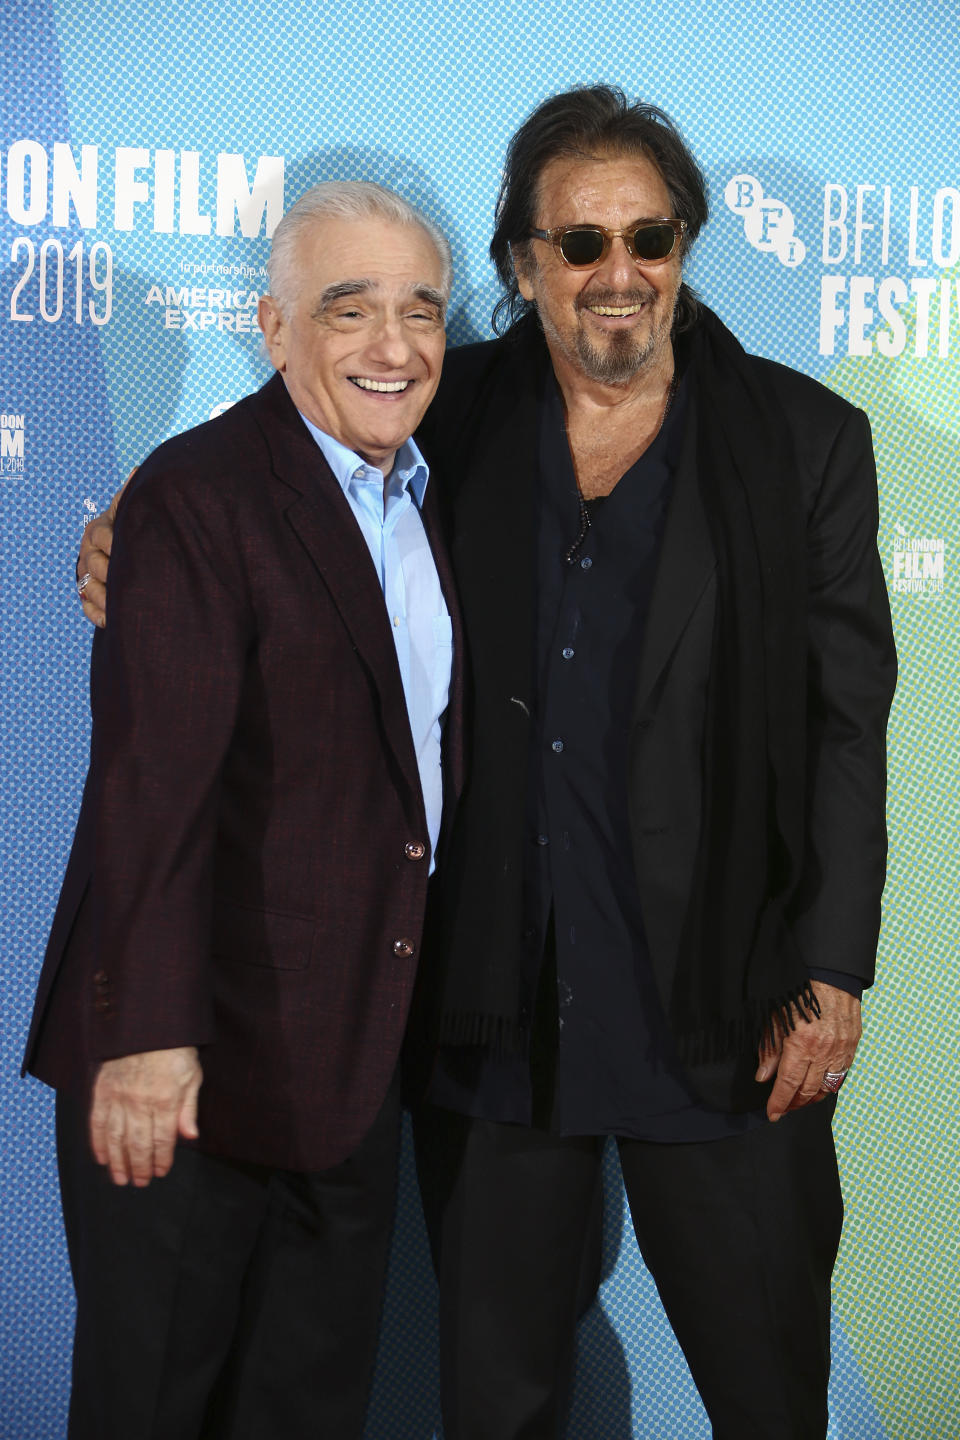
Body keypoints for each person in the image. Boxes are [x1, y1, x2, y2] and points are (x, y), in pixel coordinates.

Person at [76, 87, 897, 1440]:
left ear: (687, 246)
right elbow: (279, 492)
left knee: (767, 1393)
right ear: (525, 263)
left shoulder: (804, 444)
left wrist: (833, 968)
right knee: (497, 1402)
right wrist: (137, 531)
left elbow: (845, 722)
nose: (620, 274)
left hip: (728, 1013)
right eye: (581, 245)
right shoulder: (446, 422)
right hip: (492, 1020)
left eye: (651, 237)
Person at [24, 180, 462, 1440]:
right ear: (272, 329)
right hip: (190, 1070)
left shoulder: (423, 492)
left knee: (303, 1414)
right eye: (348, 310)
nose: (392, 345)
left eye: (419, 311)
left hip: (347, 1063)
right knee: (157, 1407)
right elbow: (154, 787)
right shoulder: (203, 493)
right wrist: (152, 1038)